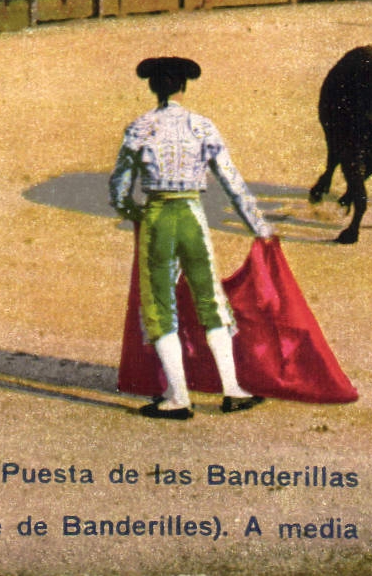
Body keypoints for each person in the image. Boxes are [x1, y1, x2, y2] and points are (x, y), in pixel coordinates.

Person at [109, 56, 273, 420]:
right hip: (193, 217)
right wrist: (260, 228)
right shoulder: (202, 127)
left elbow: (118, 188)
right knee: (210, 297)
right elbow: (232, 181)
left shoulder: (140, 127)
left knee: (159, 304)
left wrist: (134, 212)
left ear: (153, 87)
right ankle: (232, 389)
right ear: (183, 86)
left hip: (157, 218)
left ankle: (178, 397)